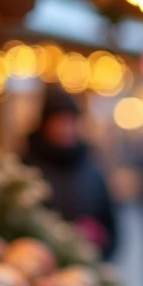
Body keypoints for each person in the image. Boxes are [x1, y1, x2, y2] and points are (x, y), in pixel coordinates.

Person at [24, 88, 119, 260]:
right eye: (59, 121)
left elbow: (111, 225)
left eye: (71, 121)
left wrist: (99, 240)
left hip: (86, 266)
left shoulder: (91, 169)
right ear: (45, 123)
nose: (65, 128)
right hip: (36, 264)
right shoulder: (26, 166)